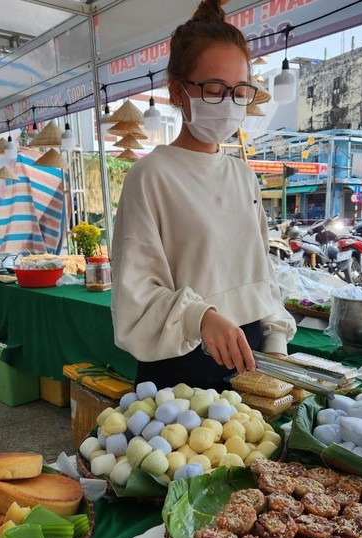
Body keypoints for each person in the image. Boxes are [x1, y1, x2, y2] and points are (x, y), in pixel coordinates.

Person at [110, 0, 296, 390]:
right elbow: (136, 293)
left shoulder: (243, 177)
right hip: (180, 363)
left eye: (240, 91)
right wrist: (201, 316)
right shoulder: (150, 176)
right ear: (178, 91)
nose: (229, 104)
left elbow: (261, 271)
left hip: (253, 359)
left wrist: (276, 341)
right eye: (214, 89)